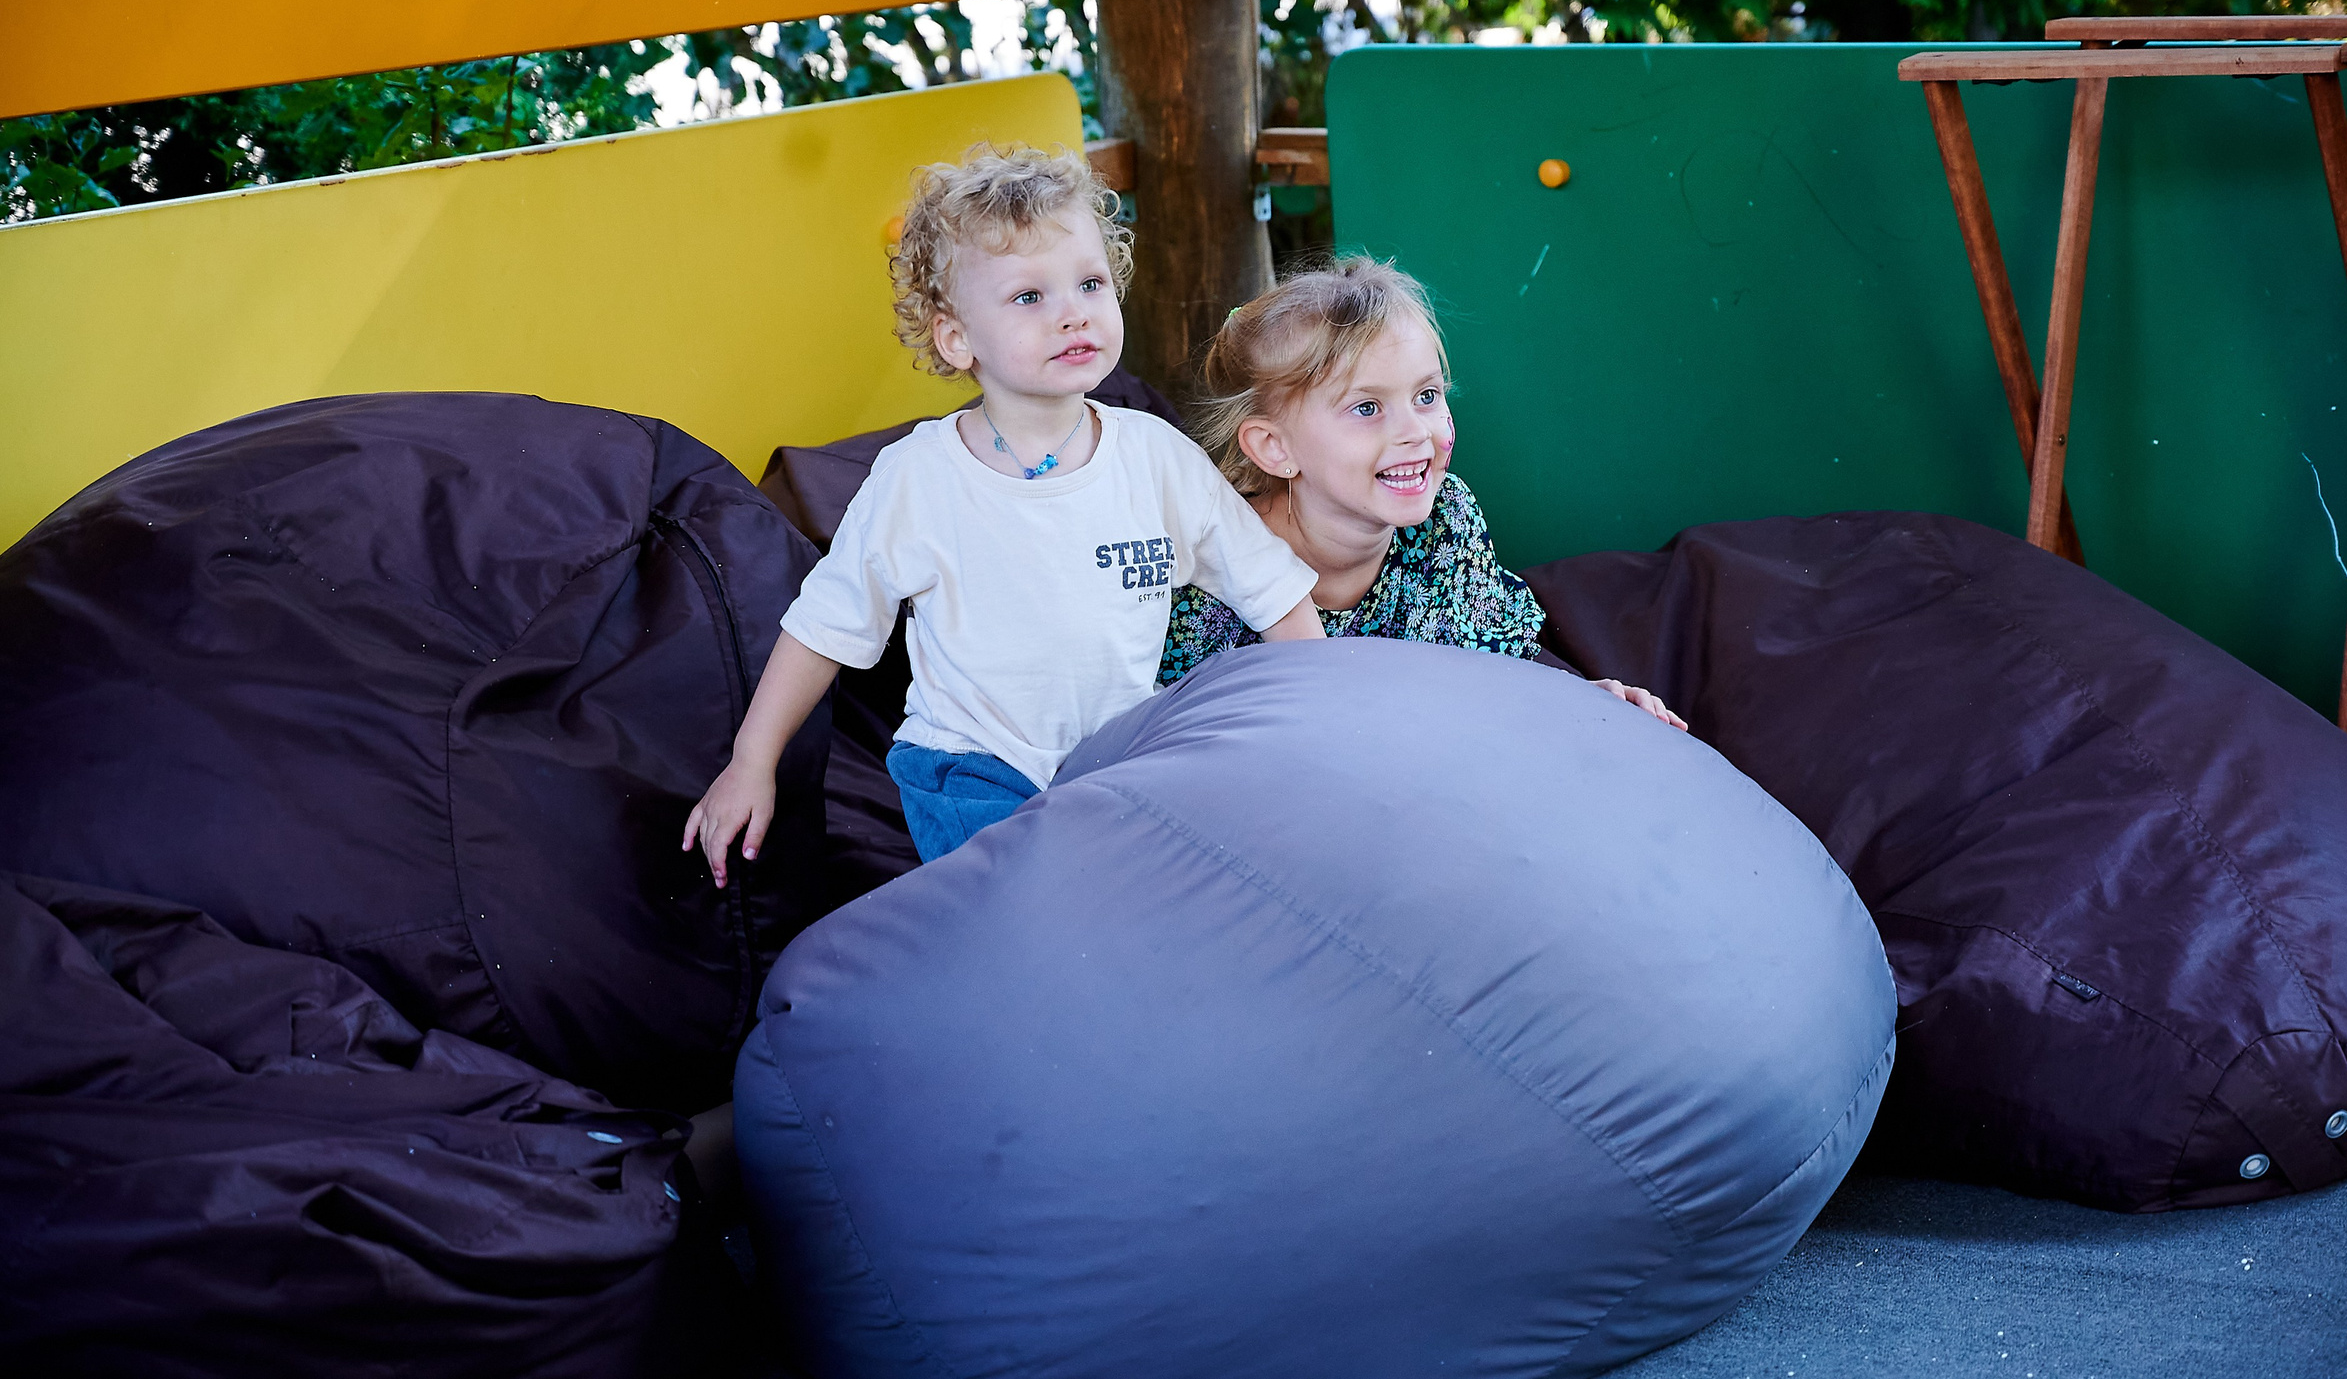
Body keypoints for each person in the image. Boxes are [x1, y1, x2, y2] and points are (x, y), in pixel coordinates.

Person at [684, 146, 1323, 880]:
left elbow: (1275, 593)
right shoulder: (918, 479)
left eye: (1089, 283)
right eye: (1030, 297)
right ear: (957, 337)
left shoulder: (1157, 458)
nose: (1072, 313)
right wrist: (750, 762)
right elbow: (822, 628)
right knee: (1044, 896)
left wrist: (1325, 718)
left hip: (1117, 761)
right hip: (973, 769)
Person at [1158, 257, 1685, 728]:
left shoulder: (1447, 520)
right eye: (1367, 408)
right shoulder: (1212, 573)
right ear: (1274, 448)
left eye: (1427, 395)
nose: (1416, 431)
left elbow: (1497, 682)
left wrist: (1581, 704)